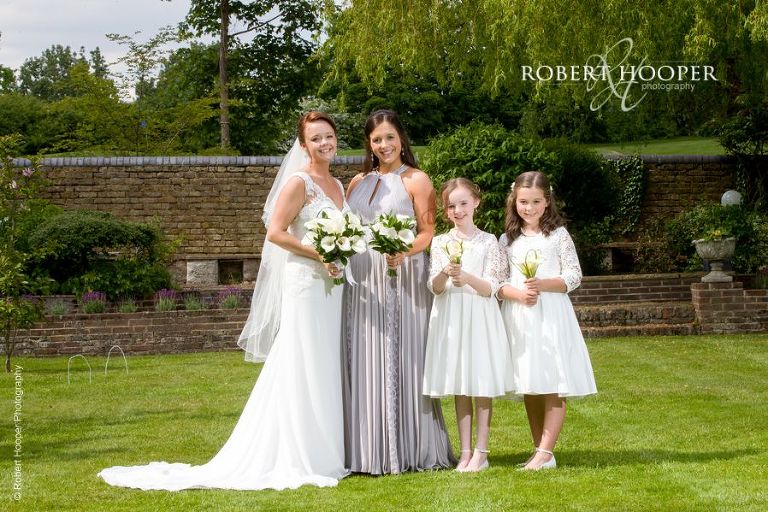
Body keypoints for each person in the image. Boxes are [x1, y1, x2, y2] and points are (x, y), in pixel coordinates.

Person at [98, 111, 349, 491]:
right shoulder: (299, 183)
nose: (324, 143)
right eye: (315, 138)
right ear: (303, 145)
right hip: (306, 283)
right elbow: (276, 232)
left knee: (326, 359)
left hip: (331, 285)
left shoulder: (338, 185)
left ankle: (326, 450)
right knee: (303, 358)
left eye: (328, 136)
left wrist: (339, 256)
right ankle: (297, 453)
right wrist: (319, 255)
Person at [342, 109, 454, 474]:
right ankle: (365, 451)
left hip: (402, 276)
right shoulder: (357, 182)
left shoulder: (417, 180)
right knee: (362, 357)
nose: (384, 145)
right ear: (369, 145)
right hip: (363, 281)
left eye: (390, 137)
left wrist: (403, 253)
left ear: (401, 139)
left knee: (403, 356)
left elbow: (427, 231)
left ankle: (409, 447)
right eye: (377, 140)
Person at [497, 171, 597, 471]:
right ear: (514, 201)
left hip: (551, 313)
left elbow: (574, 276)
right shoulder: (507, 239)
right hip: (520, 316)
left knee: (553, 380)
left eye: (536, 202)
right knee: (529, 382)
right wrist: (517, 294)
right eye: (523, 202)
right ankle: (541, 452)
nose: (529, 208)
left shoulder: (558, 235)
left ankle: (544, 450)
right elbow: (499, 282)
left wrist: (543, 284)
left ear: (547, 201)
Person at [422, 178, 514, 472]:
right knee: (460, 383)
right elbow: (434, 287)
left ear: (476, 202)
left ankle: (481, 452)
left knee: (480, 381)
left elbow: (492, 287)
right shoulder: (440, 242)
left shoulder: (489, 241)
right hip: (451, 317)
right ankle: (464, 452)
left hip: (478, 316)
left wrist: (466, 277)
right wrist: (446, 275)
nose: (457, 210)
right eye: (451, 206)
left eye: (463, 203)